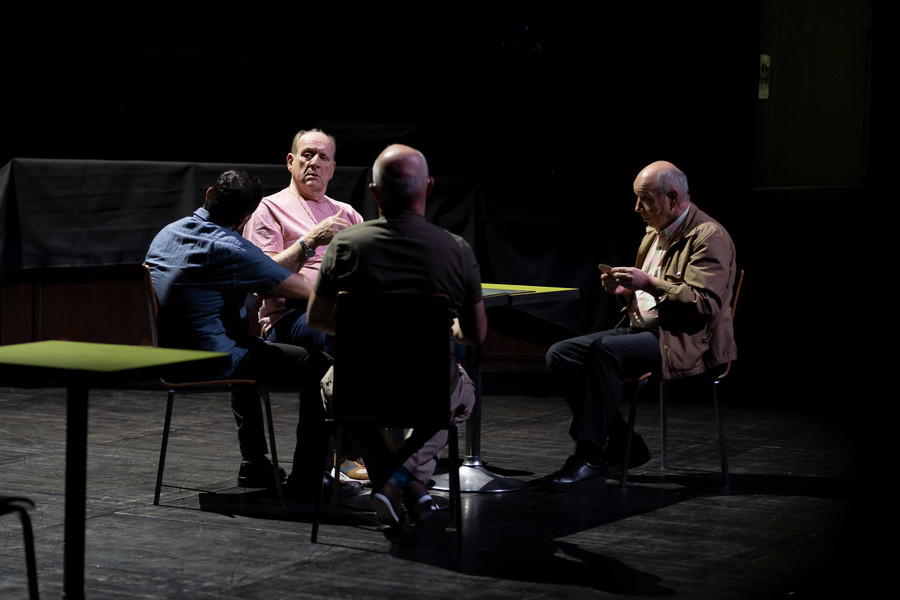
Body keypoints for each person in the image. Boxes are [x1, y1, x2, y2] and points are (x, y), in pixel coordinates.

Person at [145, 169, 362, 499]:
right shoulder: (232, 248)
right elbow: (302, 289)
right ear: (246, 218)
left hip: (170, 359)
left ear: (208, 194)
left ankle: (254, 463)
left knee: (244, 343)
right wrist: (313, 247)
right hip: (215, 360)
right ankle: (309, 477)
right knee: (320, 366)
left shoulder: (166, 233)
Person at [307, 144, 488, 526]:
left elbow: (317, 318)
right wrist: (449, 326)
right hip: (426, 388)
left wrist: (363, 328)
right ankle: (406, 483)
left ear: (374, 193)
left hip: (360, 385)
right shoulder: (456, 250)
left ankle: (392, 483)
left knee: (334, 389)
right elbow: (474, 333)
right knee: (462, 395)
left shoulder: (344, 245)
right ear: (428, 188)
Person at [544, 160, 737, 491]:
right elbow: (649, 296)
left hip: (684, 339)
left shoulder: (709, 236)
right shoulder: (653, 234)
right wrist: (625, 291)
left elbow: (704, 305)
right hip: (643, 332)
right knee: (561, 353)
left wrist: (648, 282)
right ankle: (624, 443)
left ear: (672, 197)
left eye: (645, 199)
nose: (637, 208)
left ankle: (589, 455)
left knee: (606, 351)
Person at [243, 129, 364, 354]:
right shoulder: (268, 208)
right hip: (290, 316)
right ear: (291, 162)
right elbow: (262, 278)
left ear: (332, 169)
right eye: (308, 154)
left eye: (323, 157)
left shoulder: (348, 213)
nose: (315, 163)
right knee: (345, 325)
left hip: (343, 306)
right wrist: (311, 239)